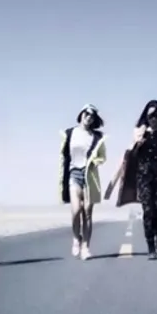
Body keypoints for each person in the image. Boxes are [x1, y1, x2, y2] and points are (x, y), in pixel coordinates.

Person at [107, 100, 157, 260]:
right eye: (151, 115)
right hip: (144, 174)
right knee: (148, 210)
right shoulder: (140, 133)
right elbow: (130, 154)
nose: (154, 118)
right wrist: (137, 141)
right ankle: (150, 246)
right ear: (146, 116)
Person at [59, 105, 107, 260]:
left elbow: (102, 156)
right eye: (87, 113)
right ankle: (76, 238)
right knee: (76, 210)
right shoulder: (70, 133)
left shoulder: (97, 137)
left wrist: (95, 161)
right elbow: (63, 153)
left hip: (89, 175)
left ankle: (85, 247)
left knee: (87, 212)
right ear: (81, 114)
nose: (89, 117)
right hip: (74, 174)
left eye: (92, 115)